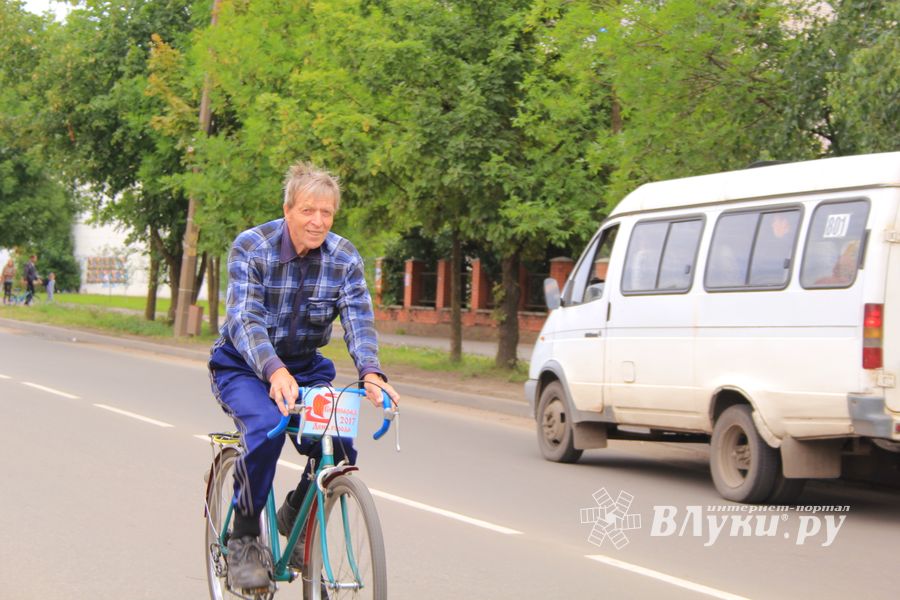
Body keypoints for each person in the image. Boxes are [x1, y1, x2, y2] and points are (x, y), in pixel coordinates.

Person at [208, 161, 400, 592]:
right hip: (243, 364)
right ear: (288, 209)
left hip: (305, 365)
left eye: (327, 213)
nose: (318, 222)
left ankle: (299, 514)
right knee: (266, 429)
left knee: (340, 441)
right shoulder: (251, 247)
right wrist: (272, 370)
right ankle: (242, 536)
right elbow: (243, 319)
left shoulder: (345, 257)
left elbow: (358, 319)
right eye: (308, 211)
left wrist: (371, 372)